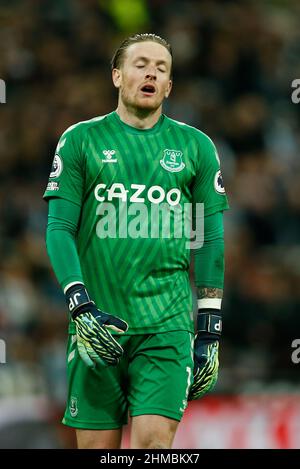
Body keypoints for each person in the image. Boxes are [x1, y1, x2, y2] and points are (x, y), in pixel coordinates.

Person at [44, 33, 229, 449]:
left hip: (166, 327)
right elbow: (59, 229)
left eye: (162, 68)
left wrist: (210, 326)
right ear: (117, 75)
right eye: (141, 63)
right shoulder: (80, 140)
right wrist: (79, 306)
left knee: (151, 447)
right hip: (97, 326)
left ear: (168, 87)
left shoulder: (196, 147)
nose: (151, 72)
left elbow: (210, 239)